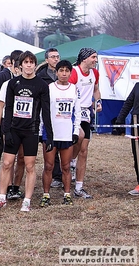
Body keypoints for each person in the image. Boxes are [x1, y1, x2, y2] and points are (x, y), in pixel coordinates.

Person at [0, 51, 53, 212]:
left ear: (35, 64)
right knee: (6, 163)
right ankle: (2, 197)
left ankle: (27, 200)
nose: (29, 65)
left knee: (30, 165)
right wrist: (5, 130)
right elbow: (8, 108)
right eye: (26, 62)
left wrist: (49, 135)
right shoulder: (13, 83)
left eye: (31, 62)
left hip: (31, 130)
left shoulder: (42, 85)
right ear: (20, 65)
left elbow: (46, 111)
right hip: (14, 129)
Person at [40, 60, 81, 207]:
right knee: (49, 166)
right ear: (56, 72)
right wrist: (41, 132)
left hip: (66, 134)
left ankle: (67, 194)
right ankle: (46, 195)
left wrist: (75, 131)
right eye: (61, 70)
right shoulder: (49, 88)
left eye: (67, 71)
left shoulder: (74, 89)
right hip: (50, 133)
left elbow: (77, 112)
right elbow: (42, 112)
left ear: (70, 73)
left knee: (66, 166)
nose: (64, 73)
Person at [0, 51, 23, 192]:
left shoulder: (19, 76)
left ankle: (10, 182)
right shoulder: (3, 76)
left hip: (16, 119)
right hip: (1, 118)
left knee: (11, 150)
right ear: (12, 62)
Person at [69, 48, 102, 199]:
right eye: (93, 57)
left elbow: (96, 89)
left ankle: (79, 187)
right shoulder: (74, 72)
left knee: (84, 150)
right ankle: (69, 162)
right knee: (79, 138)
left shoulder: (94, 73)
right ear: (84, 58)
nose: (95, 60)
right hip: (73, 112)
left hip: (87, 112)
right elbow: (68, 91)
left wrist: (98, 101)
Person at [36, 48, 64, 189]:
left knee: (63, 144)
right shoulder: (41, 77)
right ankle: (55, 175)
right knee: (50, 145)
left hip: (62, 116)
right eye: (53, 57)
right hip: (45, 114)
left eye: (57, 56)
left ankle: (63, 172)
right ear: (47, 60)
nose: (56, 59)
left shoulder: (64, 75)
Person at [116, 83, 139, 195]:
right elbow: (128, 103)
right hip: (136, 124)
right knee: (137, 155)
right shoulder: (137, 86)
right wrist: (119, 120)